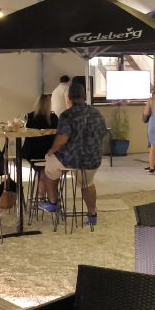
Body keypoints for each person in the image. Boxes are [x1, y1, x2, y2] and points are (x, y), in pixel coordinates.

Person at [40, 82, 107, 226]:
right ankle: (92, 213)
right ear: (84, 97)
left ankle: (53, 202)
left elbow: (61, 141)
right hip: (93, 159)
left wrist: (51, 150)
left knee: (50, 166)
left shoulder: (67, 115)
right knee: (87, 182)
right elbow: (103, 133)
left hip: (70, 159)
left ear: (69, 98)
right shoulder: (96, 113)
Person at [23, 94, 58, 201]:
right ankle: (50, 197)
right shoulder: (53, 118)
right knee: (47, 171)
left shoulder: (29, 117)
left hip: (31, 152)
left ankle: (40, 197)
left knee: (41, 171)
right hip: (49, 152)